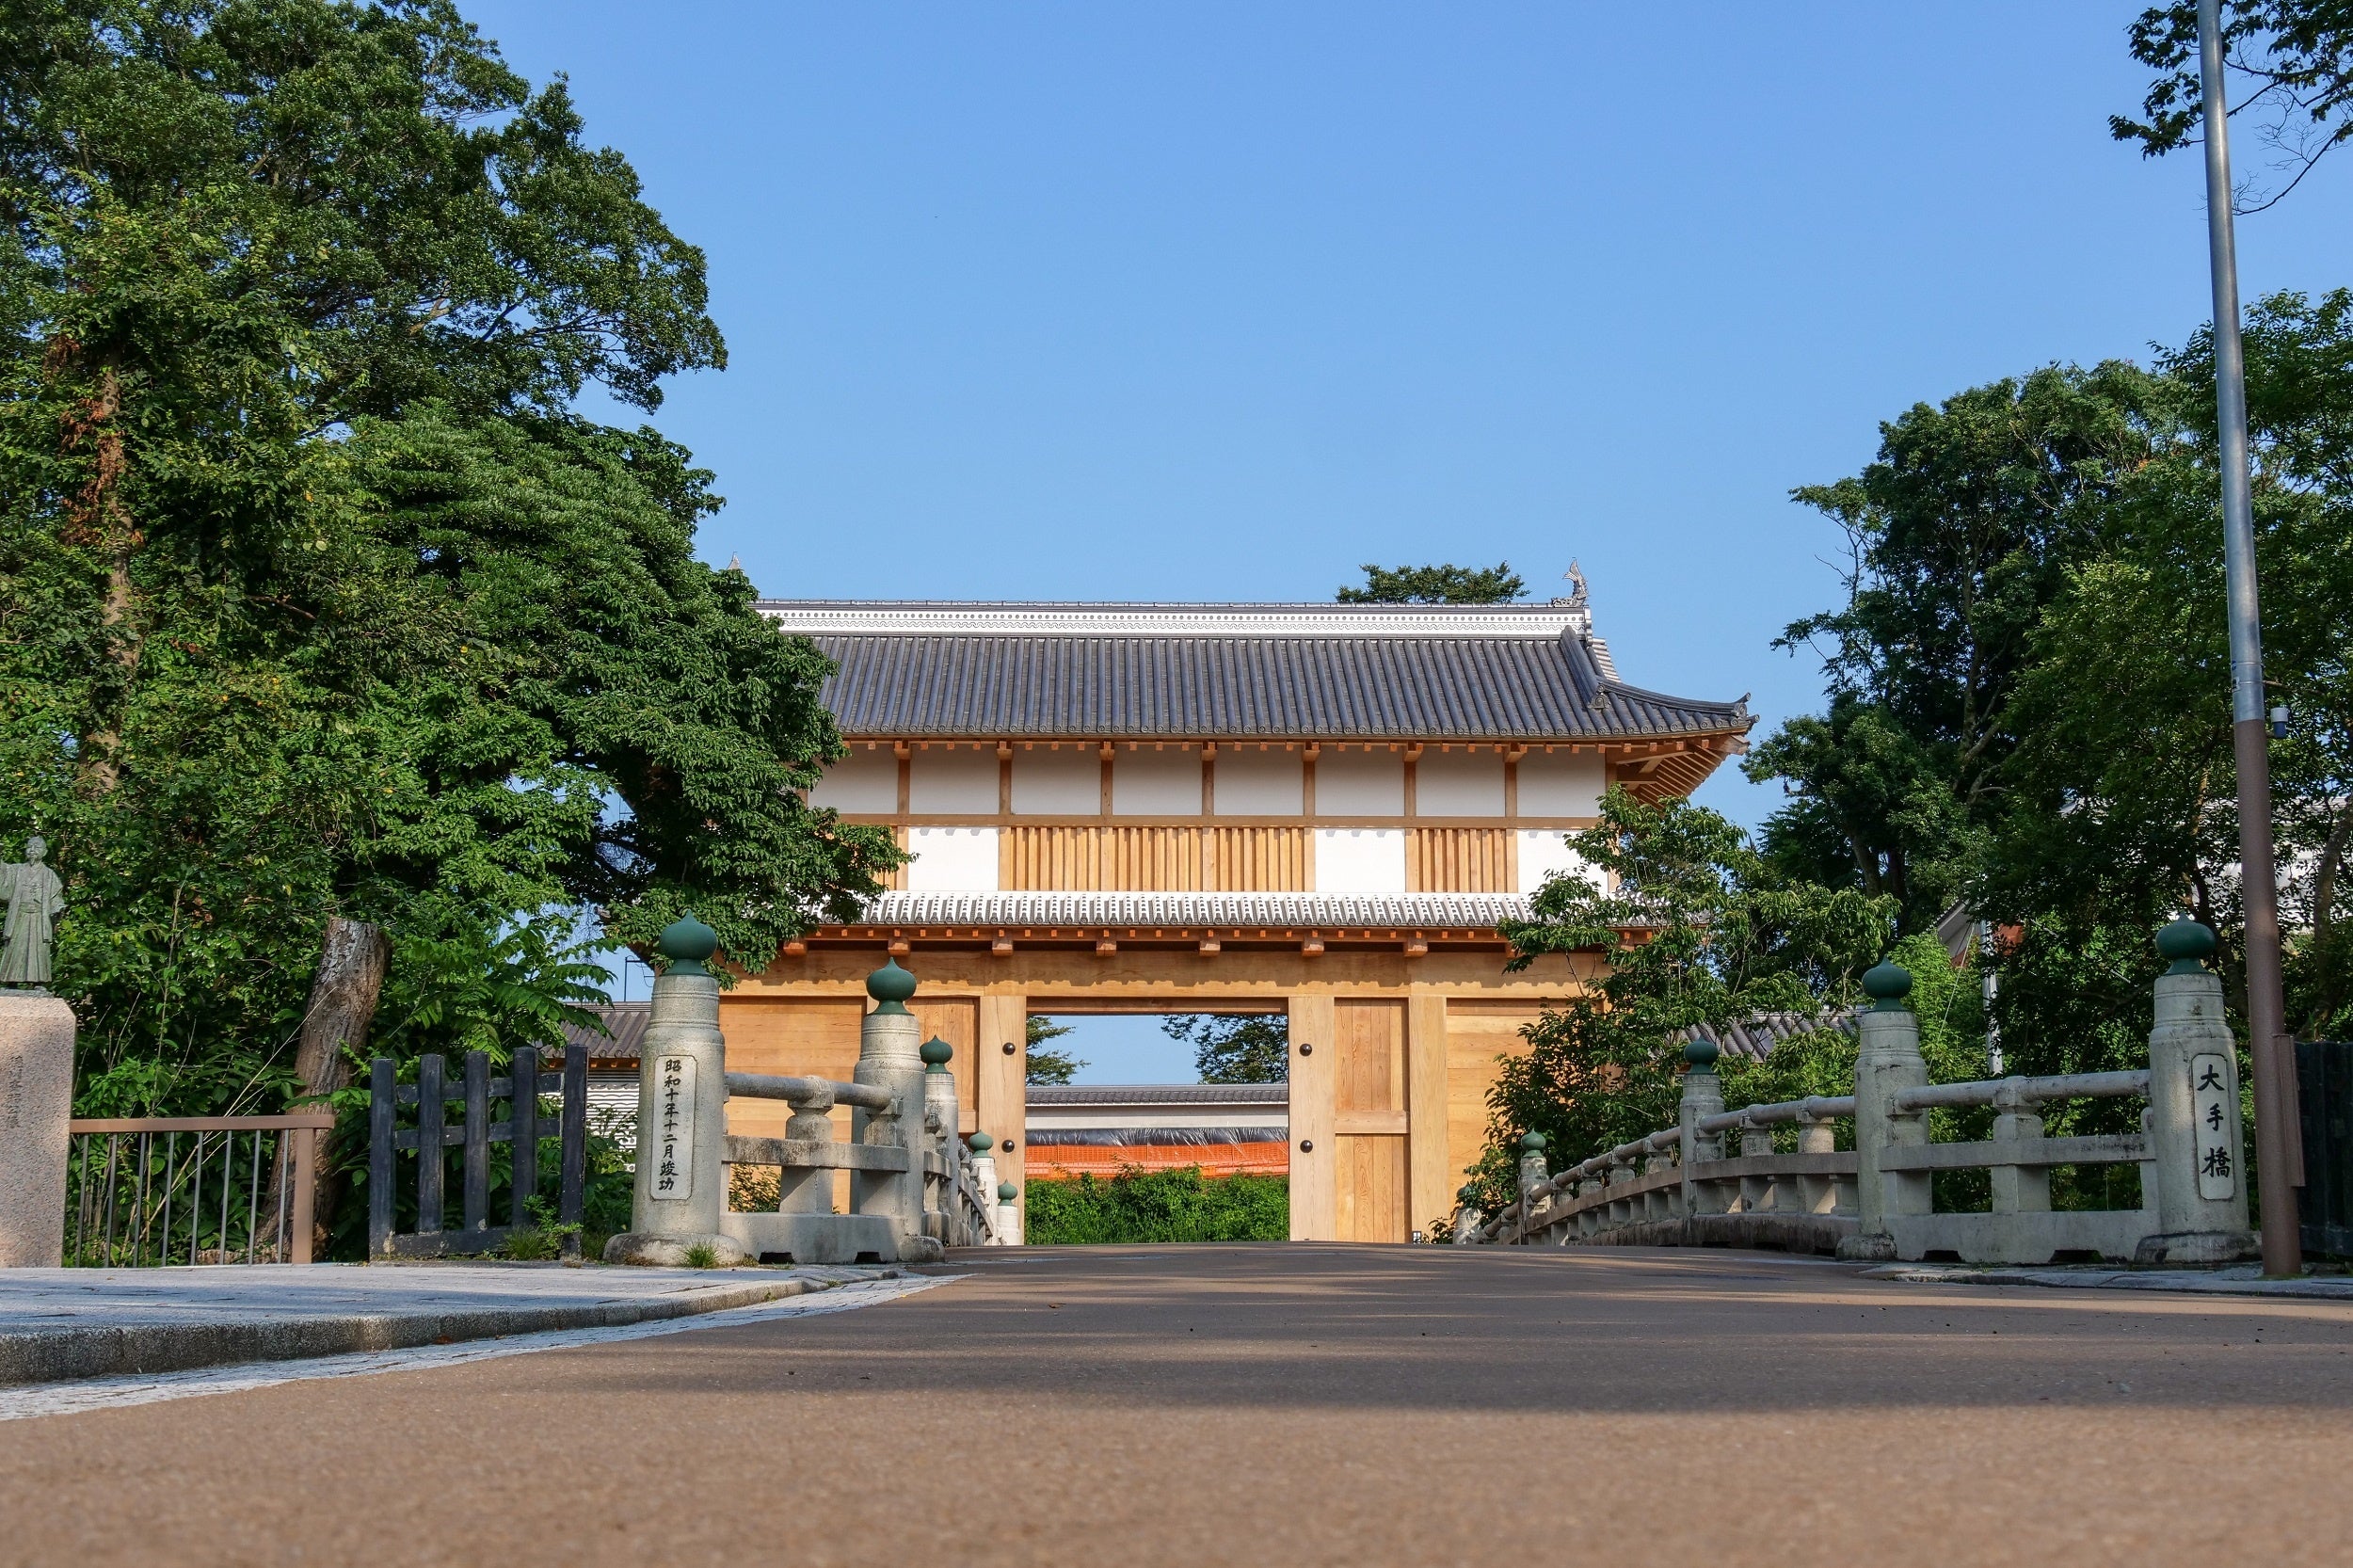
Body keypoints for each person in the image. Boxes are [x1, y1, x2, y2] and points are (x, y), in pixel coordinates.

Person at [0, 836, 64, 988]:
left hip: (39, 918)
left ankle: (38, 982)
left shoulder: (49, 875)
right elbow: (2, 874)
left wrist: (58, 908)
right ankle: (12, 981)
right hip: (19, 916)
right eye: (29, 847)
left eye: (37, 847)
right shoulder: (16, 870)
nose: (32, 850)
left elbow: (56, 898)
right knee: (15, 947)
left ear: (45, 852)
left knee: (38, 949)